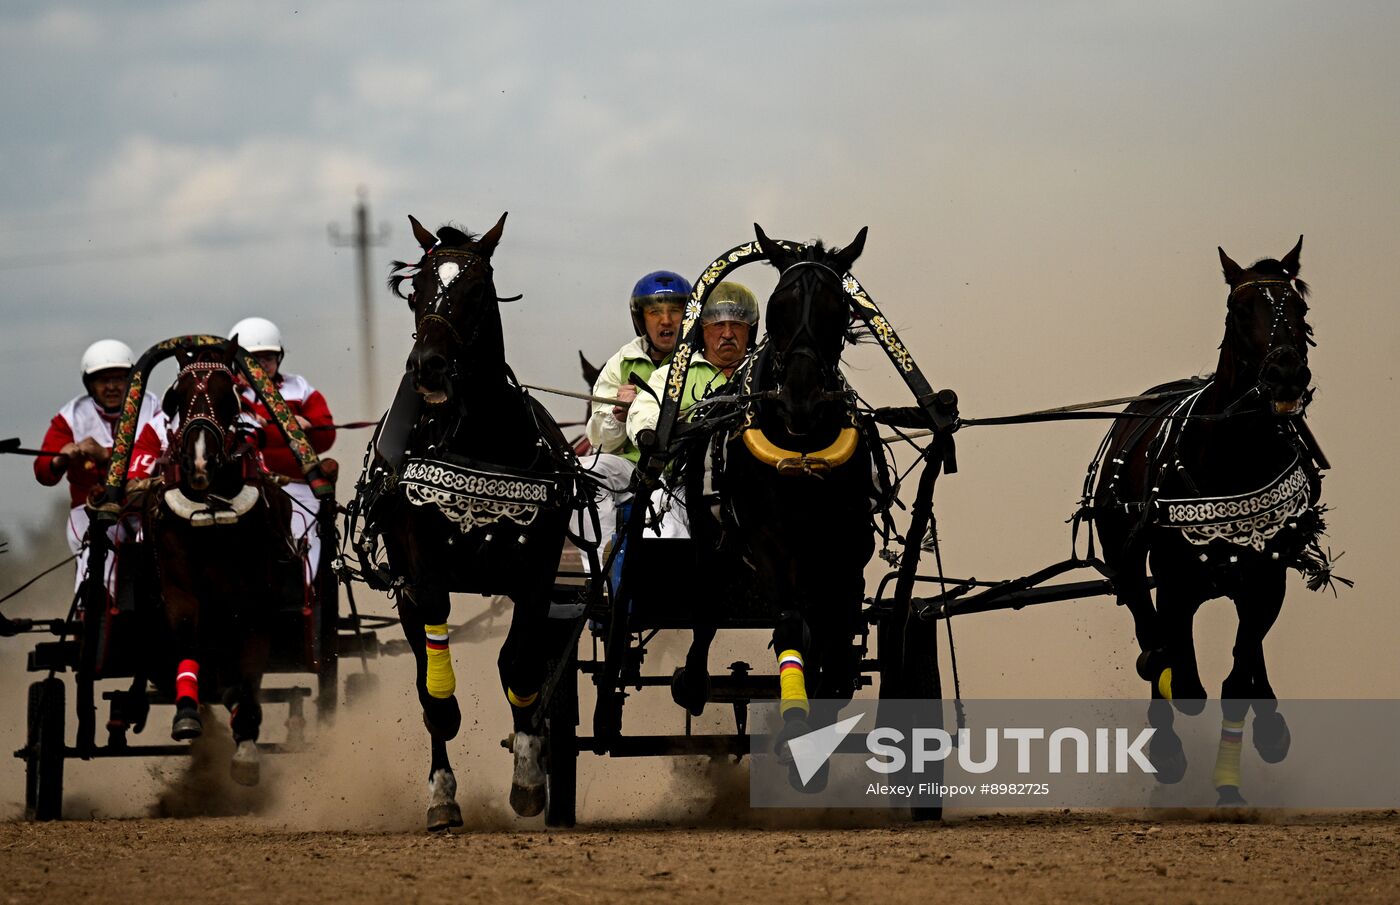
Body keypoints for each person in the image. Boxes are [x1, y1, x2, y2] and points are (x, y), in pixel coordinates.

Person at [624, 281, 759, 537]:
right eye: (718, 325)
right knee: (662, 536)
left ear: (749, 331)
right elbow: (643, 413)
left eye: (737, 325)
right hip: (682, 488)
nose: (728, 334)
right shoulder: (674, 374)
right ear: (701, 330)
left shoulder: (766, 376)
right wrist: (659, 431)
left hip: (757, 490)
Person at [34, 339, 161, 594]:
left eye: (119, 379)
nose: (112, 387)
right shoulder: (70, 416)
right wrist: (60, 458)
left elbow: (162, 456)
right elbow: (43, 471)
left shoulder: (154, 407)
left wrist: (104, 454)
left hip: (146, 506)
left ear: (132, 381)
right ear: (90, 384)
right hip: (90, 509)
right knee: (96, 555)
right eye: (104, 380)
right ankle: (94, 618)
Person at [577, 271, 690, 546]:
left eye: (675, 311)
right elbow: (599, 441)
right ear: (641, 319)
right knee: (582, 475)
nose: (666, 320)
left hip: (682, 474)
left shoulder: (700, 361)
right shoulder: (621, 362)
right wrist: (617, 417)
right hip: (630, 467)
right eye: (655, 312)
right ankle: (601, 567)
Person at [228, 317, 336, 583]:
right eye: (253, 358)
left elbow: (326, 432)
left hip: (294, 485)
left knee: (304, 535)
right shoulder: (225, 392)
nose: (262, 364)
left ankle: (302, 591)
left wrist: (307, 425)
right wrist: (284, 428)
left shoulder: (298, 388)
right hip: (237, 490)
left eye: (268, 357)